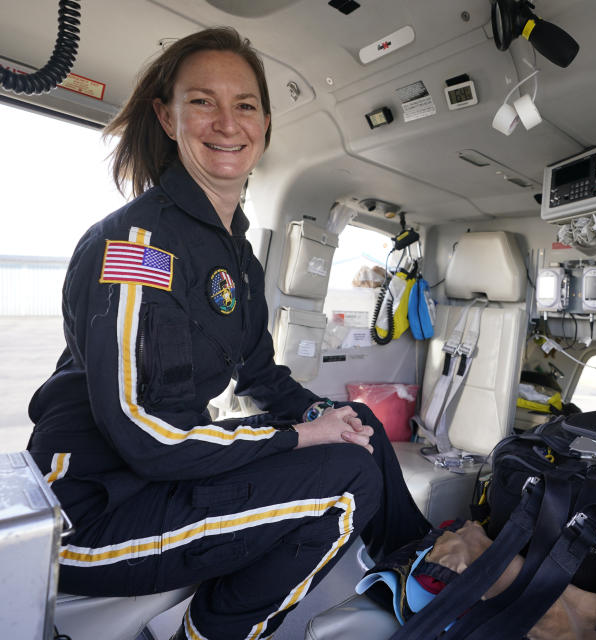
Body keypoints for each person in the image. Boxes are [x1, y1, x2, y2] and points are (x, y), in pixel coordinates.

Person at [26, 26, 431, 640]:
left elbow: (262, 376)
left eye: (244, 105)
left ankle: (418, 564)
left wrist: (329, 418)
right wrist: (301, 437)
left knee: (361, 425)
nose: (225, 122)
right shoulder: (137, 247)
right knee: (345, 482)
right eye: (201, 102)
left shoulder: (236, 256)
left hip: (155, 478)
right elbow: (143, 435)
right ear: (167, 118)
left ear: (264, 125)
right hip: (92, 514)